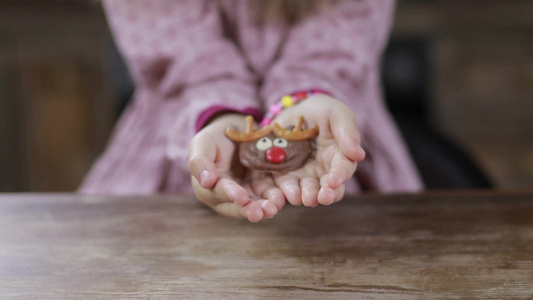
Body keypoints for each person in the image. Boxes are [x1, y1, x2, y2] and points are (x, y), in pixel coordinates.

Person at [80, 0, 423, 221]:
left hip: (330, 161)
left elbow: (334, 50)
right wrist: (218, 119)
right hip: (176, 152)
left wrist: (305, 102)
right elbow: (187, 63)